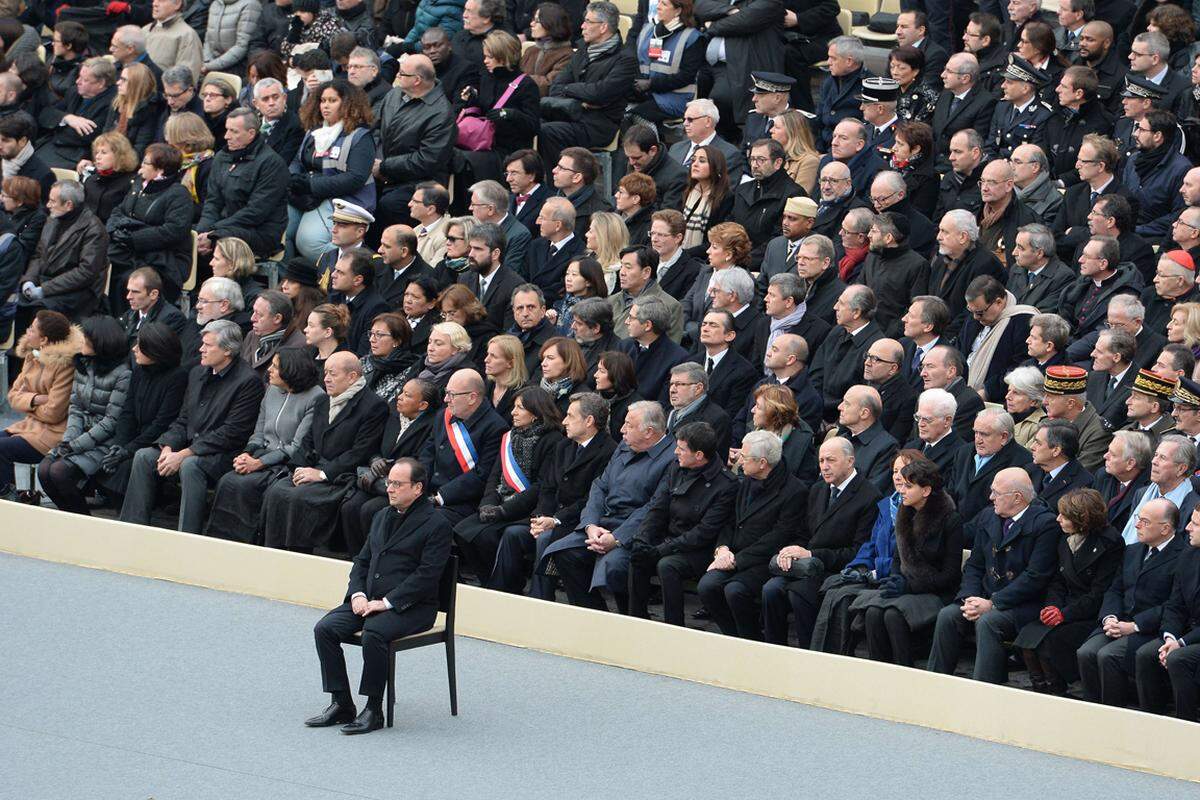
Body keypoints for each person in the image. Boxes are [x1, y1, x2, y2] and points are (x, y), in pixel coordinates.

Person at [307, 457, 452, 736]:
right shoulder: (382, 515)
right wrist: (358, 595)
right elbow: (362, 561)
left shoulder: (437, 525)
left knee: (374, 634)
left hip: (411, 607)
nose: (389, 489)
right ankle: (341, 703)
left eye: (398, 484)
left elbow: (427, 576)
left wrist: (386, 603)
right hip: (369, 599)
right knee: (325, 629)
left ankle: (374, 709)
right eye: (389, 482)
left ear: (418, 488)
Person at [120, 319, 264, 533]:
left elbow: (232, 433)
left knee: (191, 466)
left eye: (208, 345)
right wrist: (168, 446)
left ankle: (188, 536)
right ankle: (132, 528)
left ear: (227, 350)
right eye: (202, 343)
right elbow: (183, 420)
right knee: (144, 456)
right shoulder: (197, 373)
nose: (200, 349)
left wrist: (184, 454)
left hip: (223, 454)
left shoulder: (248, 382)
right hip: (191, 446)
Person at [540, 399, 674, 612]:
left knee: (615, 568)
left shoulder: (671, 458)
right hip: (602, 526)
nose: (621, 430)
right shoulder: (625, 445)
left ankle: (632, 620)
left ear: (649, 432)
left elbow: (654, 507)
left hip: (638, 534)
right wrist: (590, 525)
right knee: (564, 553)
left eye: (629, 425)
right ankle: (593, 616)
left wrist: (618, 538)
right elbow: (599, 487)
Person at [928, 466, 1058, 683]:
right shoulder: (989, 517)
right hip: (984, 597)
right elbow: (975, 565)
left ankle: (985, 689)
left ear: (1017, 498)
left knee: (989, 622)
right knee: (948, 615)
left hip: (1023, 604)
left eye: (996, 493)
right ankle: (936, 682)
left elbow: (1035, 577)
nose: (991, 497)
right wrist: (969, 598)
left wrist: (993, 602)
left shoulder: (1045, 524)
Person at [259, 351, 388, 552]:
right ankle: (273, 554)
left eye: (333, 374)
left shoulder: (373, 406)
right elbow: (307, 441)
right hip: (312, 467)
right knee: (276, 491)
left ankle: (299, 556)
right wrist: (299, 469)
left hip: (341, 476)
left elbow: (360, 452)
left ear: (352, 377)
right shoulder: (323, 401)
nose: (325, 378)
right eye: (325, 372)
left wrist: (321, 474)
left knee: (297, 498)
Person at [761, 436, 881, 648]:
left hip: (836, 570)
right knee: (771, 589)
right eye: (821, 461)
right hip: (806, 566)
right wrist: (789, 551)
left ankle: (812, 653)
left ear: (850, 461)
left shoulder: (869, 496)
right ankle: (774, 650)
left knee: (798, 593)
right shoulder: (818, 490)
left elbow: (858, 551)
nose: (824, 467)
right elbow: (803, 533)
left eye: (831, 461)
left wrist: (813, 554)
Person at [849, 456, 964, 666]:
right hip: (908, 588)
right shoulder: (905, 511)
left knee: (893, 615)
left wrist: (910, 585)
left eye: (909, 486)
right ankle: (878, 672)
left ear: (926, 490)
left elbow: (950, 575)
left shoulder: (950, 520)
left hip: (937, 592)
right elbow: (898, 557)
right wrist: (894, 579)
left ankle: (905, 671)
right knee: (874, 612)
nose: (901, 490)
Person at [203, 348, 324, 541]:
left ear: (291, 370)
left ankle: (250, 542)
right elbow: (259, 432)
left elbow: (296, 446)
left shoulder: (316, 397)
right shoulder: (272, 390)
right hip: (261, 454)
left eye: (275, 367)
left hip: (284, 463)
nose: (269, 370)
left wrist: (259, 463)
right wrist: (247, 455)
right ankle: (221, 541)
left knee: (248, 485)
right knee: (228, 480)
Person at [1012, 487, 1123, 695]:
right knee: (1027, 640)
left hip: (1088, 614)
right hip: (1063, 606)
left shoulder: (1109, 542)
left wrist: (1065, 614)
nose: (1058, 519)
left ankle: (1056, 690)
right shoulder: (1065, 538)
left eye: (1065, 516)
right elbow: (1058, 580)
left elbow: (1099, 592)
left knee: (1049, 645)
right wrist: (1052, 606)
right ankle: (1039, 687)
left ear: (1082, 519)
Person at [1078, 496, 1186, 708]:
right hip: (1119, 621)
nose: (1137, 524)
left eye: (1145, 521)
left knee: (1108, 656)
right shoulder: (1133, 550)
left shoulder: (1182, 555)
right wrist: (1110, 617)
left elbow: (1174, 603)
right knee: (1086, 652)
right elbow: (1115, 589)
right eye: (1138, 518)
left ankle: (1115, 714)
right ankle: (1091, 711)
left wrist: (1135, 625)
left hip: (1151, 627)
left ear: (1165, 529)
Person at [453, 385, 564, 579]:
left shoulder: (552, 440)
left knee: (487, 536)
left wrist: (504, 511)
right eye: (514, 406)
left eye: (519, 407)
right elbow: (495, 476)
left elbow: (541, 486)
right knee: (462, 531)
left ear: (536, 412)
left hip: (526, 510)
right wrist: (487, 504)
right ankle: (487, 580)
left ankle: (507, 585)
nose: (513, 412)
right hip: (500, 503)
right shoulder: (509, 437)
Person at [536, 2, 636, 169]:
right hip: (569, 113)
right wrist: (579, 95)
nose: (582, 26)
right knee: (526, 122)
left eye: (588, 21)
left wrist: (570, 89)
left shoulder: (625, 59)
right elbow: (556, 86)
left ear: (603, 27)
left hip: (597, 124)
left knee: (547, 132)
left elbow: (600, 93)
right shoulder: (583, 49)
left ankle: (556, 187)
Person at [285, 81, 376, 262]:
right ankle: (291, 279)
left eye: (332, 100)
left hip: (346, 199)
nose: (325, 105)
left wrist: (311, 185)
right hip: (310, 193)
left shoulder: (360, 136)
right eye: (322, 100)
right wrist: (294, 179)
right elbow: (297, 160)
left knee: (309, 242)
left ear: (347, 103)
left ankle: (352, 269)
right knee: (280, 230)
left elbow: (355, 178)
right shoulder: (315, 130)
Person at [0, 311, 83, 500]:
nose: (27, 331)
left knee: (1, 449)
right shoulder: (33, 356)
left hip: (52, 435)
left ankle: (9, 499)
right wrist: (37, 399)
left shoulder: (64, 366)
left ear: (44, 339)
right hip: (29, 427)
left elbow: (54, 413)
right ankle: (13, 494)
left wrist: (27, 402)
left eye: (31, 329)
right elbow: (12, 396)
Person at [106, 143, 193, 306]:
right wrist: (113, 231)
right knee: (100, 265)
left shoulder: (178, 194)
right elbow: (119, 211)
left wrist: (134, 239)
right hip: (129, 251)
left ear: (160, 170)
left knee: (127, 280)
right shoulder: (139, 184)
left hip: (163, 259)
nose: (141, 167)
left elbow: (173, 231)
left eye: (146, 163)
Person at [373, 54, 454, 229]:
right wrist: (375, 161)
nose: (397, 76)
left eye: (402, 73)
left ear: (417, 80)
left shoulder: (441, 113)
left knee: (389, 205)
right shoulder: (394, 95)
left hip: (419, 181)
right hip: (383, 171)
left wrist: (384, 167)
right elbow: (375, 130)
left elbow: (426, 160)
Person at [418, 367, 508, 524]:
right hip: (429, 491)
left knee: (423, 521)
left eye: (451, 395)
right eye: (446, 393)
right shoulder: (443, 416)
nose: (446, 399)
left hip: (460, 501)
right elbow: (428, 452)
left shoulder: (496, 427)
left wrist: (440, 497)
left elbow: (482, 475)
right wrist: (419, 486)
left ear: (472, 398)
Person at [196, 108, 288, 259]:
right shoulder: (221, 157)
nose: (226, 136)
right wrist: (203, 231)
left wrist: (214, 232)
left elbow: (255, 213)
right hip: (224, 227)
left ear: (251, 133)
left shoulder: (271, 164)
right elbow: (213, 201)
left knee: (215, 241)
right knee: (188, 238)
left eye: (234, 132)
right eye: (227, 130)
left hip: (260, 232)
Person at [454, 30, 540, 188]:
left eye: (489, 57)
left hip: (508, 149)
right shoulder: (487, 77)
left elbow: (533, 126)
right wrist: (472, 97)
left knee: (465, 161)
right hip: (483, 143)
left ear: (503, 56)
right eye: (485, 56)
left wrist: (511, 114)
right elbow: (483, 110)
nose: (485, 61)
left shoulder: (526, 85)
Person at [17, 181, 109, 327]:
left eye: (53, 201)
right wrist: (29, 280)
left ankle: (40, 348)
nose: (47, 205)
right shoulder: (53, 219)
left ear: (69, 205)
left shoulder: (94, 230)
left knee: (40, 309)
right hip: (47, 281)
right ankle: (20, 348)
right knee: (17, 299)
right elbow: (38, 255)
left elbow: (85, 272)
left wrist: (45, 289)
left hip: (78, 292)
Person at [1150, 504, 1200, 720]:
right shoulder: (1189, 555)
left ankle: (1185, 724)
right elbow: (1175, 604)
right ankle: (1151, 718)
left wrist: (1180, 643)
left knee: (1179, 658)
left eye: (1196, 524)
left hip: (1193, 637)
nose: (1187, 527)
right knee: (1147, 654)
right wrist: (1170, 636)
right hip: (1188, 632)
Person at [808, 285, 884, 422]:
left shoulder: (876, 346)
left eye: (841, 303)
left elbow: (864, 394)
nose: (835, 307)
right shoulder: (836, 332)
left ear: (856, 313)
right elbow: (816, 374)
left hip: (845, 420)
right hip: (817, 411)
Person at [928, 209, 1005, 343]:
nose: (938, 237)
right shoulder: (941, 259)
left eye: (944, 232)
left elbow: (972, 311)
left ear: (963, 237)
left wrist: (941, 340)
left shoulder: (985, 264)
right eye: (940, 230)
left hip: (959, 338)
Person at [35, 57, 117, 170]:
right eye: (79, 77)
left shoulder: (112, 103)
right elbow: (46, 113)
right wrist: (67, 118)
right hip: (51, 145)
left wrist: (57, 125)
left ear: (101, 83)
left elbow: (86, 136)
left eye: (85, 80)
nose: (77, 81)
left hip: (76, 155)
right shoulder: (74, 91)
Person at [1123, 109, 1191, 240]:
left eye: (1142, 130)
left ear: (1157, 136)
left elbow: (1178, 214)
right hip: (1126, 230)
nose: (1135, 134)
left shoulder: (1181, 169)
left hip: (1155, 238)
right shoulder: (1133, 160)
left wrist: (1139, 230)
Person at [617, 298, 688, 405]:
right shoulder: (624, 346)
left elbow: (664, 403)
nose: (626, 322)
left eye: (631, 318)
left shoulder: (678, 359)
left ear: (648, 325)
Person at [930, 52, 994, 162]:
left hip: (957, 165)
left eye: (949, 71)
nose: (942, 75)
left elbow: (976, 143)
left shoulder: (985, 102)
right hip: (933, 161)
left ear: (965, 78)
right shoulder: (946, 92)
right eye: (945, 69)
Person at [667, 98, 745, 184]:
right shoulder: (676, 148)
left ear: (708, 121)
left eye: (690, 119)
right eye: (684, 119)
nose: (685, 123)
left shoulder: (729, 154)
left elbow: (725, 191)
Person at [1007, 224, 1074, 314]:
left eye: (1021, 248)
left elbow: (1042, 315)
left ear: (1039, 253)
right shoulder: (1016, 269)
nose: (1014, 252)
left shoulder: (1063, 277)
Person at [241, 290, 308, 379]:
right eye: (253, 312)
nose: (252, 318)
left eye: (259, 314)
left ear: (277, 318)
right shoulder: (252, 335)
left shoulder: (298, 345)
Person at [905, 387, 969, 479]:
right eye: (918, 418)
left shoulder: (960, 454)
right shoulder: (911, 446)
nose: (920, 424)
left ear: (947, 421)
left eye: (927, 419)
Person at [119, 267, 190, 348]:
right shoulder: (130, 314)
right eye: (129, 291)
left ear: (153, 294)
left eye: (135, 292)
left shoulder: (173, 318)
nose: (128, 296)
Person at [518, 3, 574, 97]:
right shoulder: (531, 50)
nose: (532, 24)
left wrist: (518, 79)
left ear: (550, 24)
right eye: (533, 20)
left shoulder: (567, 55)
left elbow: (550, 85)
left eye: (537, 21)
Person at [144, 0, 204, 81]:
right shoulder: (145, 30)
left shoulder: (187, 35)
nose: (155, 4)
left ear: (177, 4)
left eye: (161, 0)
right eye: (154, 0)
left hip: (163, 91)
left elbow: (186, 80)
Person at [768, 111, 820, 197]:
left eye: (776, 127)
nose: (771, 130)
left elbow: (799, 197)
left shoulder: (809, 161)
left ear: (792, 132)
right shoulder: (774, 158)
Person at [504, 149, 549, 238]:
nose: (508, 179)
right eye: (507, 173)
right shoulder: (507, 199)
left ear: (531, 176)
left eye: (514, 173)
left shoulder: (550, 201)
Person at [890, 46, 939, 126]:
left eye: (901, 68)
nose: (894, 72)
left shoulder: (924, 96)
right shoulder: (892, 89)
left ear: (915, 71)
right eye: (892, 67)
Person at [1004, 365, 1049, 448]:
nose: (1007, 397)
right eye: (1009, 391)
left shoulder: (1040, 427)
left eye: (1016, 393)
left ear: (1034, 401)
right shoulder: (1001, 416)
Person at [410, 182, 452, 267]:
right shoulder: (415, 230)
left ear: (430, 209)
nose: (410, 204)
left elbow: (433, 272)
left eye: (415, 201)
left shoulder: (447, 236)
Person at [614, 173, 655, 247]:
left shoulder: (651, 226)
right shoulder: (613, 217)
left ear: (635, 199)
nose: (616, 195)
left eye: (621, 192)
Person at [305, 302, 350, 368]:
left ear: (328, 332)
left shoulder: (343, 364)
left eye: (311, 325)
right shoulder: (306, 356)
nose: (305, 329)